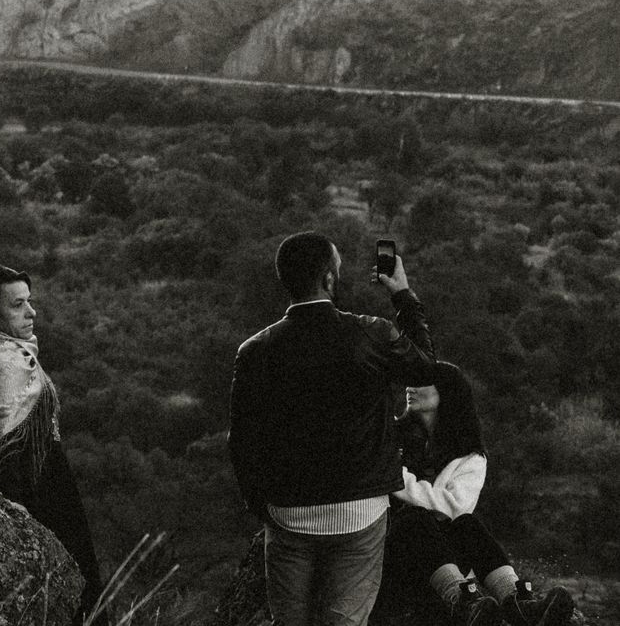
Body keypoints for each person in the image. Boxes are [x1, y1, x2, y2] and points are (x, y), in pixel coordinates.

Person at [229, 232, 439, 626]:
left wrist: (261, 505)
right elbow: (426, 367)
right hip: (360, 512)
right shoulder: (372, 333)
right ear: (328, 279)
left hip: (288, 512)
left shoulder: (255, 350)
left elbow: (241, 441)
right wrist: (402, 295)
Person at [0, 266, 103, 619]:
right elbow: (7, 444)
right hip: (39, 488)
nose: (32, 312)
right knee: (76, 594)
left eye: (29, 301)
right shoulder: (9, 360)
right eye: (17, 305)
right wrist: (16, 510)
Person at [384, 363, 574, 626]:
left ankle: (518, 602)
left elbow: (453, 509)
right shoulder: (391, 436)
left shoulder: (470, 457)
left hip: (438, 558)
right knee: (414, 519)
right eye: (409, 381)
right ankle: (462, 603)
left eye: (421, 382)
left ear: (447, 392)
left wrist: (395, 477)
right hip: (391, 551)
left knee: (466, 523)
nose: (409, 388)